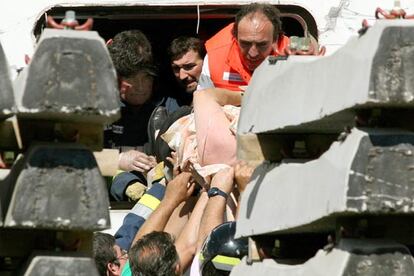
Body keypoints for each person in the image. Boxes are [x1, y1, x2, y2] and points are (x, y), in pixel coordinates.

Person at [198, 3, 289, 91]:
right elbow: (203, 98)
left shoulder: (292, 57)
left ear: (275, 40)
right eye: (246, 43)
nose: (253, 53)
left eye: (262, 45)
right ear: (235, 37)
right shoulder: (215, 56)